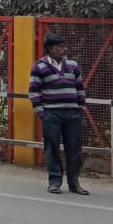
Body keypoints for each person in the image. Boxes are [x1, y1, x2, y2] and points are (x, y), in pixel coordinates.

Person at [29, 33, 89, 195]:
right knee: (52, 148)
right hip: (52, 114)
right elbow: (34, 92)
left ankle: (74, 183)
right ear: (50, 49)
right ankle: (54, 182)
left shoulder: (73, 65)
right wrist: (42, 113)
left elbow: (80, 88)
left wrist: (81, 108)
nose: (64, 49)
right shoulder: (39, 66)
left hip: (73, 114)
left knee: (74, 149)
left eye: (64, 46)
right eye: (59, 46)